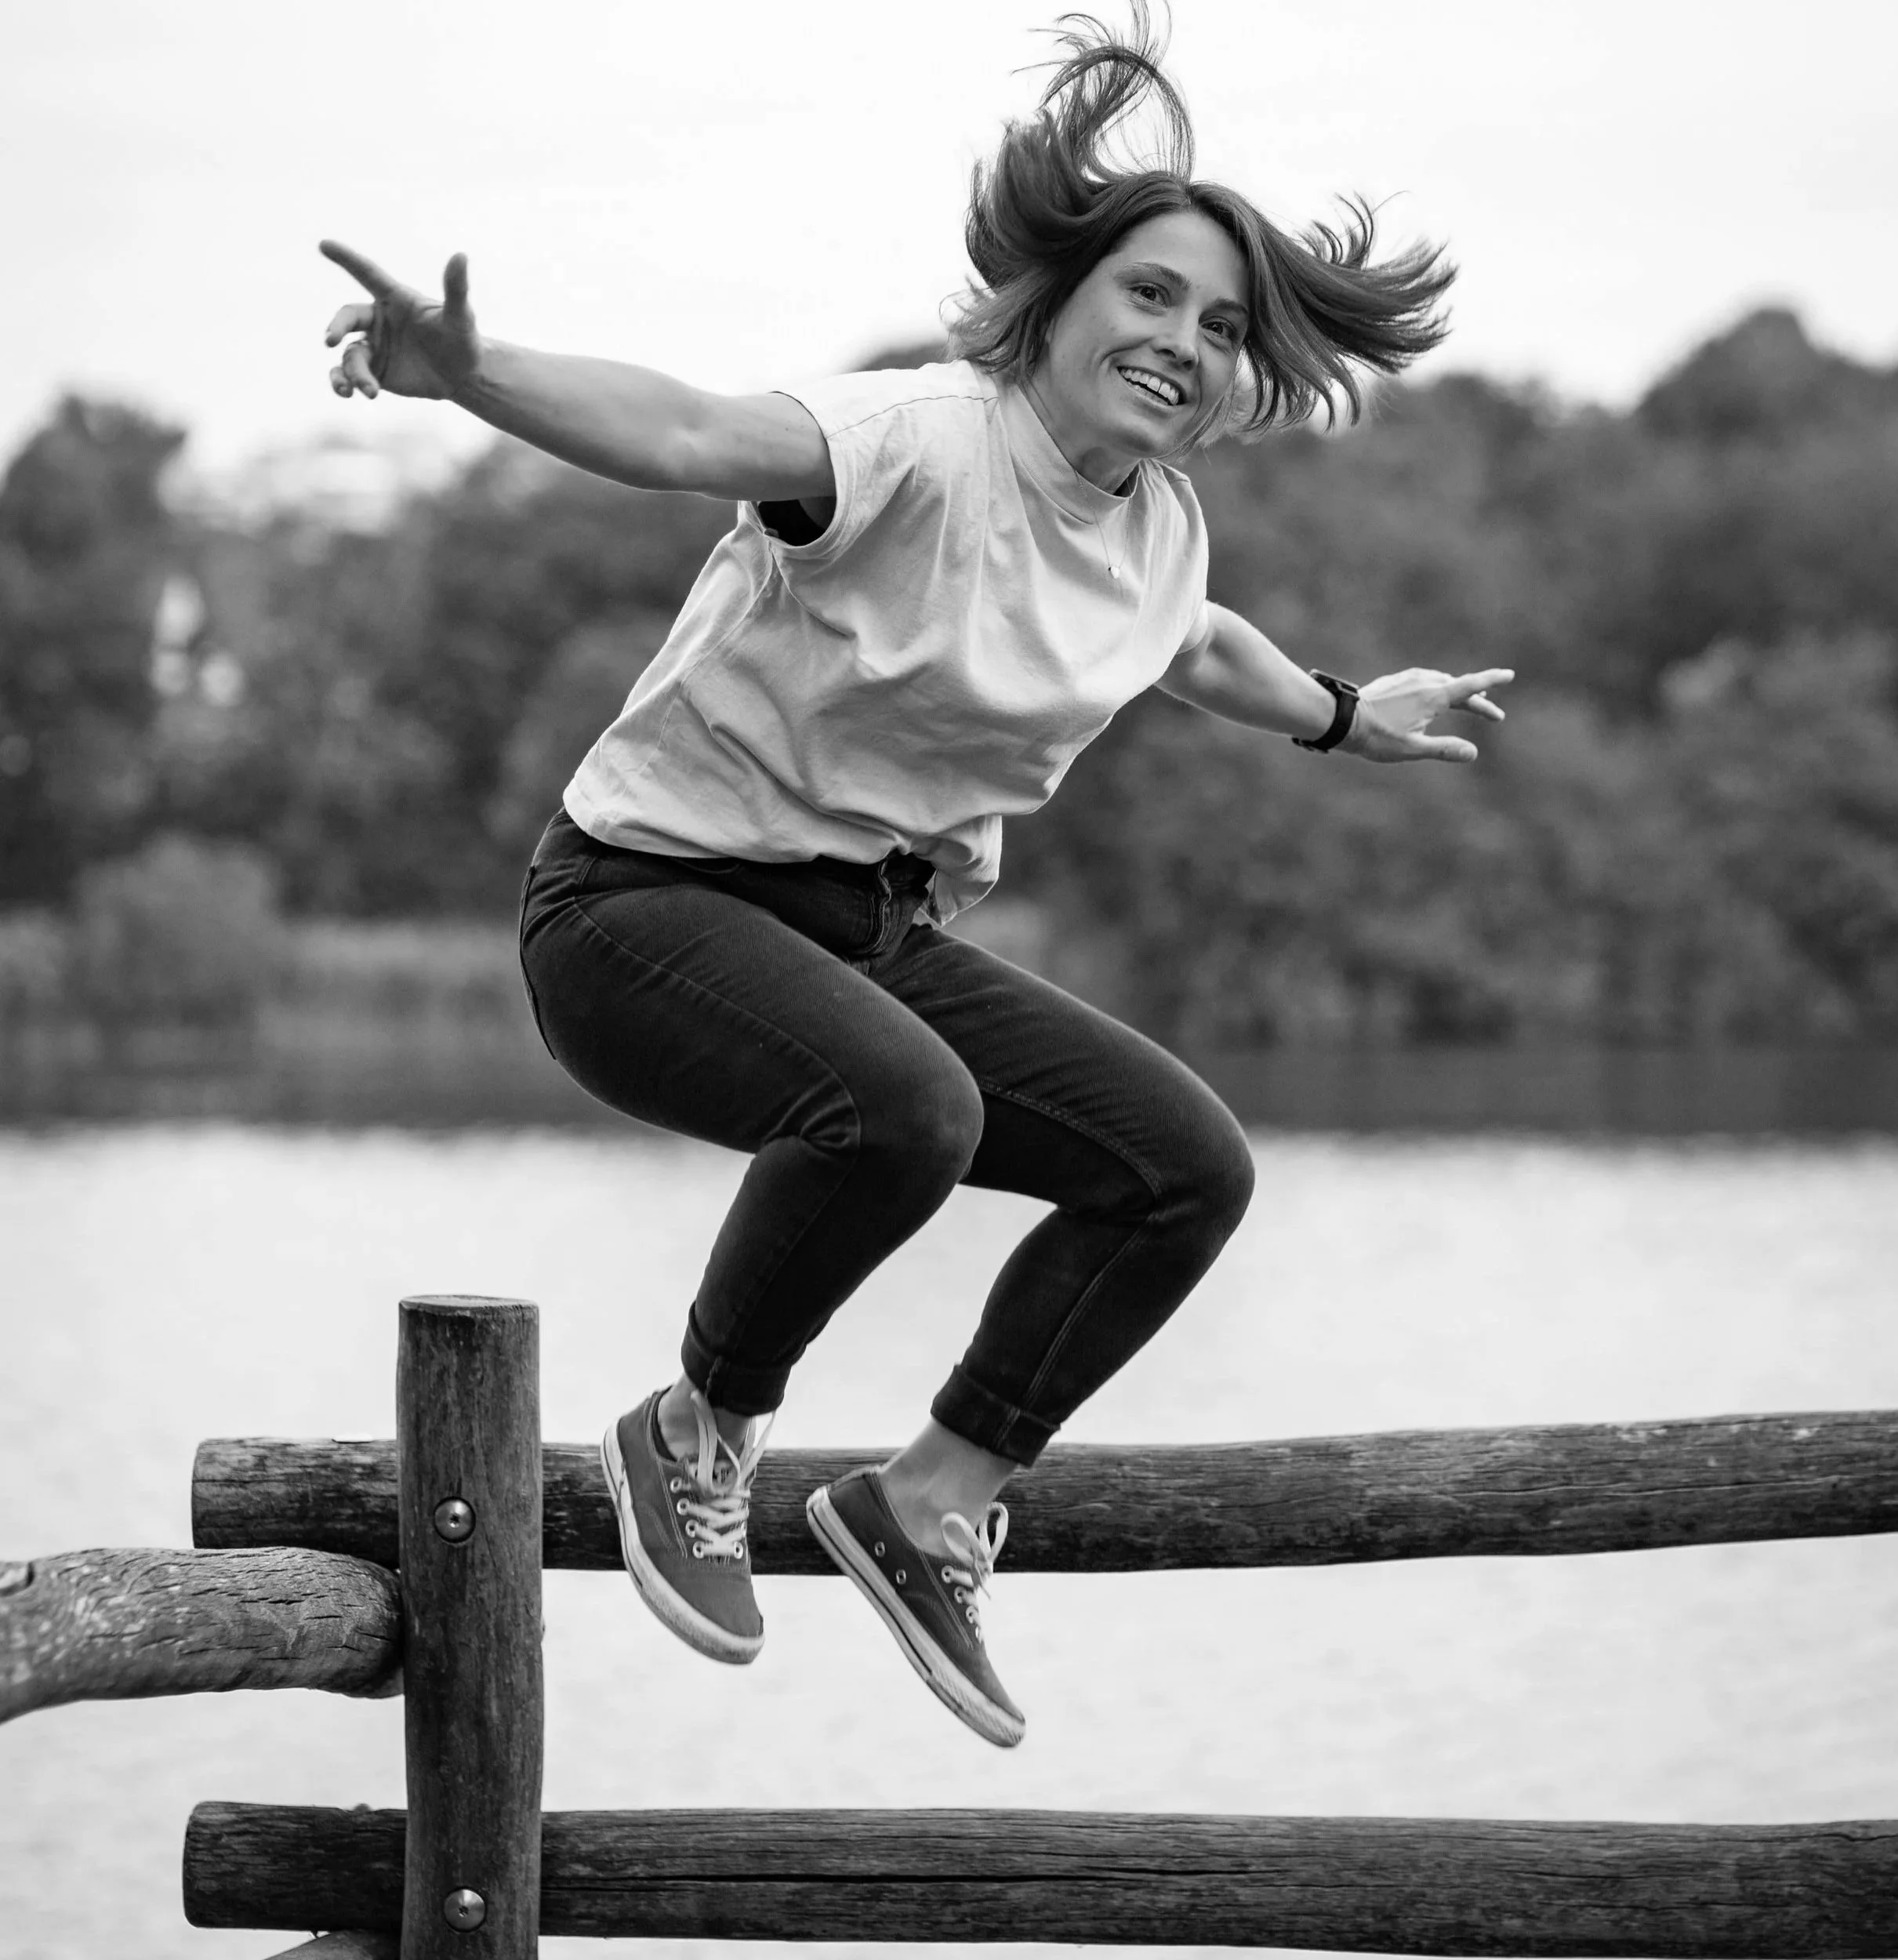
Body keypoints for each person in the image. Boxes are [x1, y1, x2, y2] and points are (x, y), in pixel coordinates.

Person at [321, 15, 1510, 1750]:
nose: (1182, 343)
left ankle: (930, 1497)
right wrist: (472, 372)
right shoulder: (913, 437)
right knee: (908, 1110)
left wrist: (1343, 714)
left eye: (1222, 328)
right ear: (1060, 298)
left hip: (867, 932)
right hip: (634, 908)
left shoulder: (1157, 526)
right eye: (1152, 295)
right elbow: (683, 430)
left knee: (1181, 1169)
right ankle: (696, 1428)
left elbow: (1194, 647)